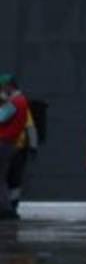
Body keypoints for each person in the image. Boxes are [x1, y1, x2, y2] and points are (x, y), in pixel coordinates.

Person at [1, 74, 39, 216]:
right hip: (14, 147)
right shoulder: (16, 102)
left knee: (11, 178)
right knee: (10, 178)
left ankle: (10, 207)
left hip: (15, 147)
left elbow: (30, 127)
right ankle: (10, 206)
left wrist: (33, 146)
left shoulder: (16, 103)